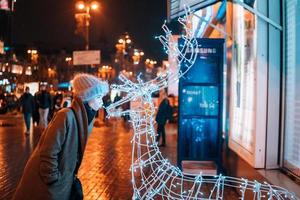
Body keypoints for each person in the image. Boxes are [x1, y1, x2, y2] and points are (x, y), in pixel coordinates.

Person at [13, 74, 109, 200]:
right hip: (47, 183)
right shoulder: (66, 115)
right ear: (86, 97)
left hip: (63, 181)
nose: (101, 101)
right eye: (98, 97)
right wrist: (53, 179)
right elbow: (48, 151)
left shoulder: (87, 118)